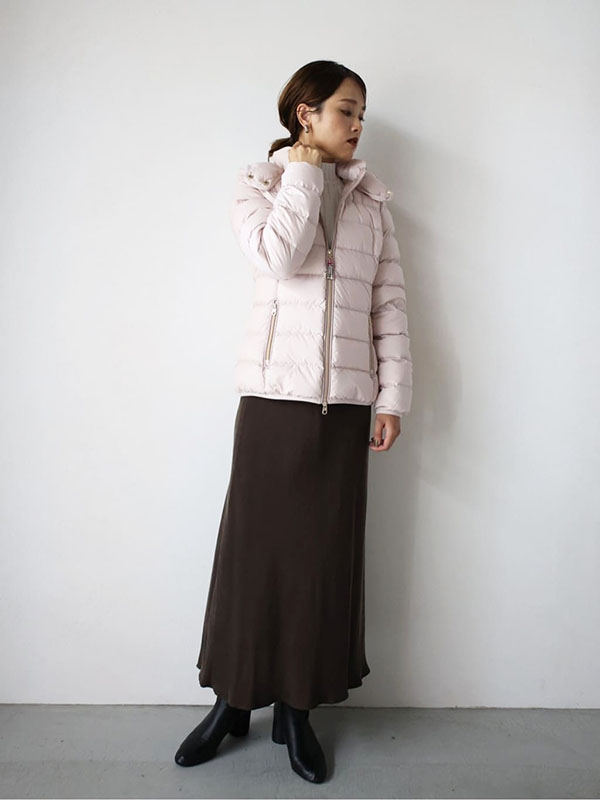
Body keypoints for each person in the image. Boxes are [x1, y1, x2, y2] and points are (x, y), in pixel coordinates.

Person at [174, 60, 413, 784]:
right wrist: (304, 171)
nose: (358, 124)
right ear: (305, 113)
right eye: (346, 110)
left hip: (343, 409)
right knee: (254, 562)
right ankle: (232, 703)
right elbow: (277, 258)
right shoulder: (260, 185)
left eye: (362, 113)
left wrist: (392, 398)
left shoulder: (372, 203)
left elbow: (389, 306)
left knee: (318, 566)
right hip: (274, 403)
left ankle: (297, 711)